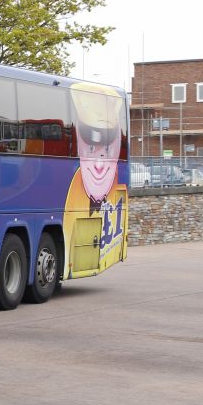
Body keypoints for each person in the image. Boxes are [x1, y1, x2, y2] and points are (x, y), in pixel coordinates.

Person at [62, 82, 128, 278]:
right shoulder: (72, 190)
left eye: (106, 149)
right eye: (91, 148)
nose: (99, 165)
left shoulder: (116, 184)